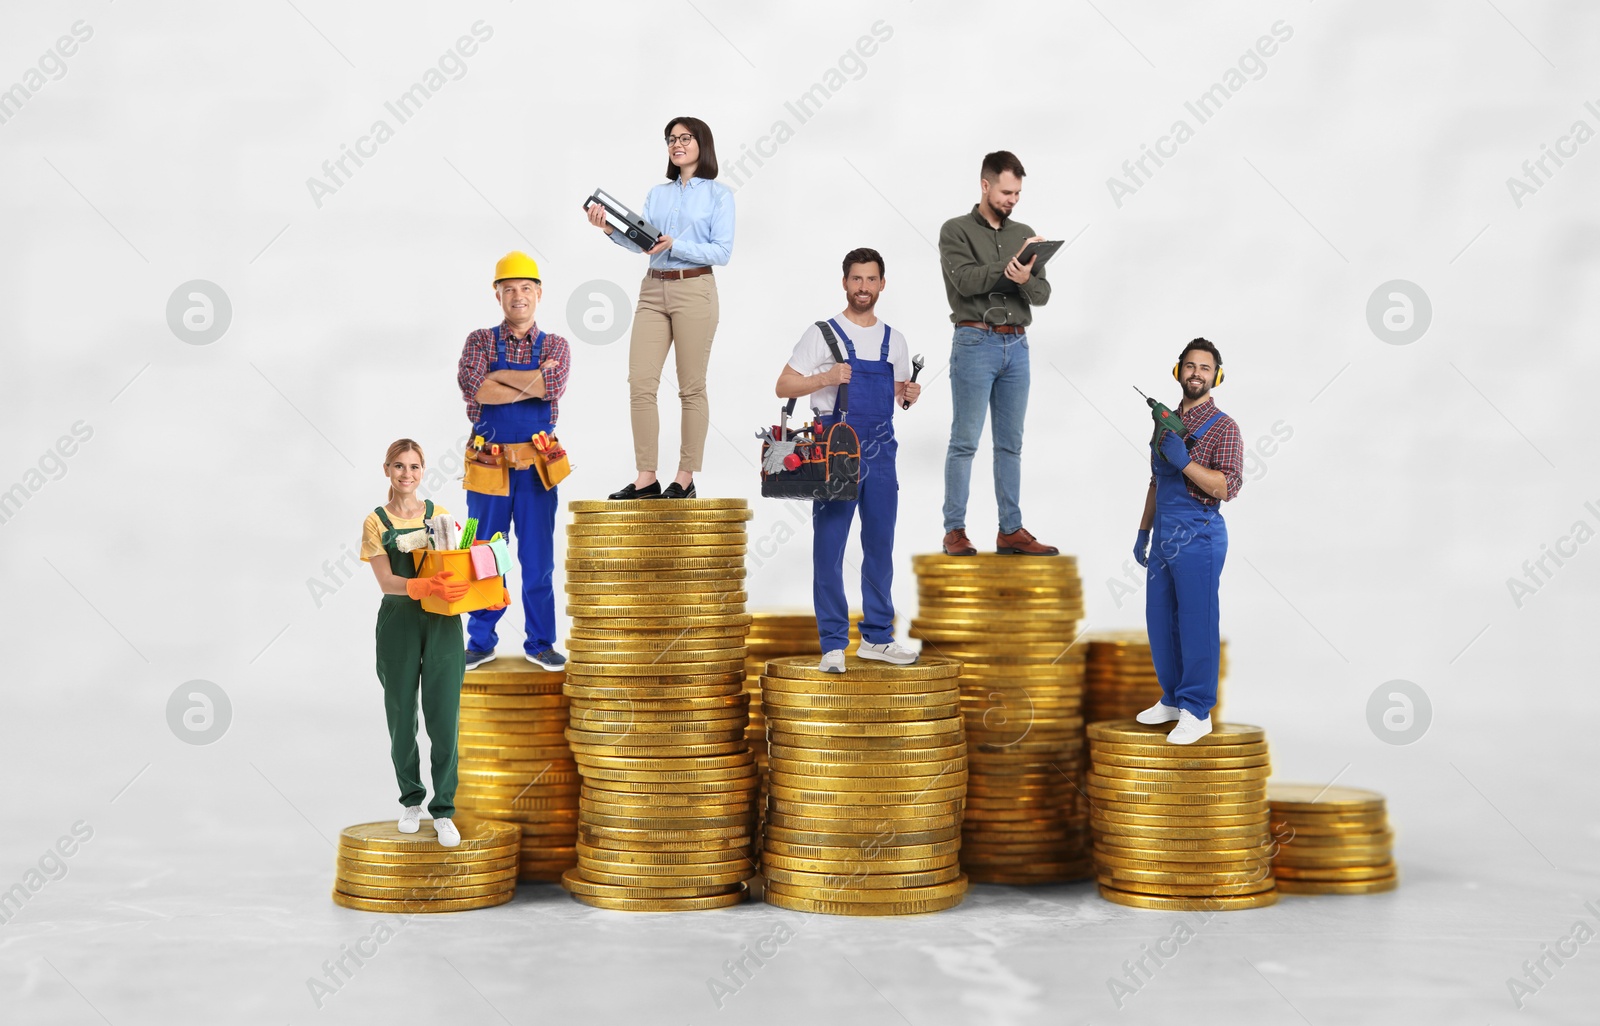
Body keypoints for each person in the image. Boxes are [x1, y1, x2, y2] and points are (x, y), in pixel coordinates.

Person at [775, 247, 921, 673]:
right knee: (831, 546)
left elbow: (895, 393)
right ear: (844, 282)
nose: (863, 287)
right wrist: (826, 377)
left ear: (882, 284)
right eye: (856, 279)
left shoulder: (896, 339)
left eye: (871, 279)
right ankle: (834, 644)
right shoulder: (822, 333)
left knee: (880, 545)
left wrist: (908, 396)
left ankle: (877, 638)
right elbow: (783, 384)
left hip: (882, 448)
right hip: (835, 447)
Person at [586, 115, 734, 500]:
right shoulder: (658, 194)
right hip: (653, 290)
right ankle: (646, 477)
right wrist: (609, 229)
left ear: (703, 142)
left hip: (695, 288)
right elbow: (644, 244)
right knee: (641, 383)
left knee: (691, 387)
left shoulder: (719, 195)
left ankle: (684, 478)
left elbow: (722, 251)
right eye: (671, 139)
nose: (676, 144)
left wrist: (676, 246)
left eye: (685, 137)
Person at [937, 149, 1059, 557]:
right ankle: (954, 529)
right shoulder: (954, 230)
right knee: (964, 441)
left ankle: (1011, 529)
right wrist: (1012, 268)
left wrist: (1025, 278)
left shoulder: (1024, 232)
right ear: (985, 184)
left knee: (1011, 444)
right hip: (975, 342)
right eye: (1006, 191)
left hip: (1017, 345)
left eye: (1018, 193)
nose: (1012, 200)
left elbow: (1041, 294)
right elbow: (967, 281)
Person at [455, 252, 571, 671]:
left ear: (538, 293)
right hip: (487, 467)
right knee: (484, 554)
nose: (518, 297)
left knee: (538, 561)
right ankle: (480, 640)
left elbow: (552, 384)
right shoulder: (478, 340)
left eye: (526, 288)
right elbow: (475, 388)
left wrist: (500, 381)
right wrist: (533, 382)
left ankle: (540, 642)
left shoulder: (557, 344)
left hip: (538, 469)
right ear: (497, 294)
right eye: (509, 289)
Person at [360, 439, 476, 847]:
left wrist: (468, 585)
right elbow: (386, 581)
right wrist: (423, 584)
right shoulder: (376, 522)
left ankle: (443, 810)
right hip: (399, 621)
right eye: (399, 466)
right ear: (386, 469)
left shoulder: (439, 516)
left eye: (414, 467)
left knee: (444, 717)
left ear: (423, 470)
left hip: (442, 621)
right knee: (401, 715)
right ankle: (412, 801)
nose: (406, 474)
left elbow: (455, 566)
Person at [1131, 339, 1243, 744]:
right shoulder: (1165, 423)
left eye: (1205, 368)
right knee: (1160, 620)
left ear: (1217, 376)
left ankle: (1197, 710)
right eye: (1190, 366)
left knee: (1197, 622)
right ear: (1178, 371)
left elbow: (1227, 487)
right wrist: (1144, 530)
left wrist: (1186, 461)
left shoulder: (1225, 427)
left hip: (1199, 533)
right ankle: (1173, 699)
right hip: (1164, 532)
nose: (1197, 373)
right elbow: (1155, 481)